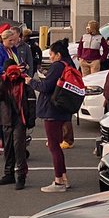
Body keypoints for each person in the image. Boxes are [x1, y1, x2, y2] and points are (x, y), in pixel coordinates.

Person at [35, 40, 76, 194]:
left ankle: (58, 180)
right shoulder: (69, 64)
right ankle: (64, 177)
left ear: (58, 55)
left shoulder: (57, 66)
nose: (50, 57)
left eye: (51, 54)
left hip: (52, 110)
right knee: (56, 145)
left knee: (53, 146)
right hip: (62, 108)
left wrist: (31, 82)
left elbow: (46, 87)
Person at [0, 28, 25, 157]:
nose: (13, 42)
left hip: (11, 85)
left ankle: (0, 140)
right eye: (11, 40)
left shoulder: (12, 50)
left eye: (14, 40)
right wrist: (11, 69)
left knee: (7, 115)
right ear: (4, 40)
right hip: (0, 86)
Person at [0, 64, 33, 189]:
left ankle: (21, 176)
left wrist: (31, 119)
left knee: (19, 147)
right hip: (7, 118)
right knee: (8, 146)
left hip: (20, 118)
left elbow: (32, 102)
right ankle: (9, 174)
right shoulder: (2, 81)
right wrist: (3, 82)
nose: (13, 76)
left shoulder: (24, 82)